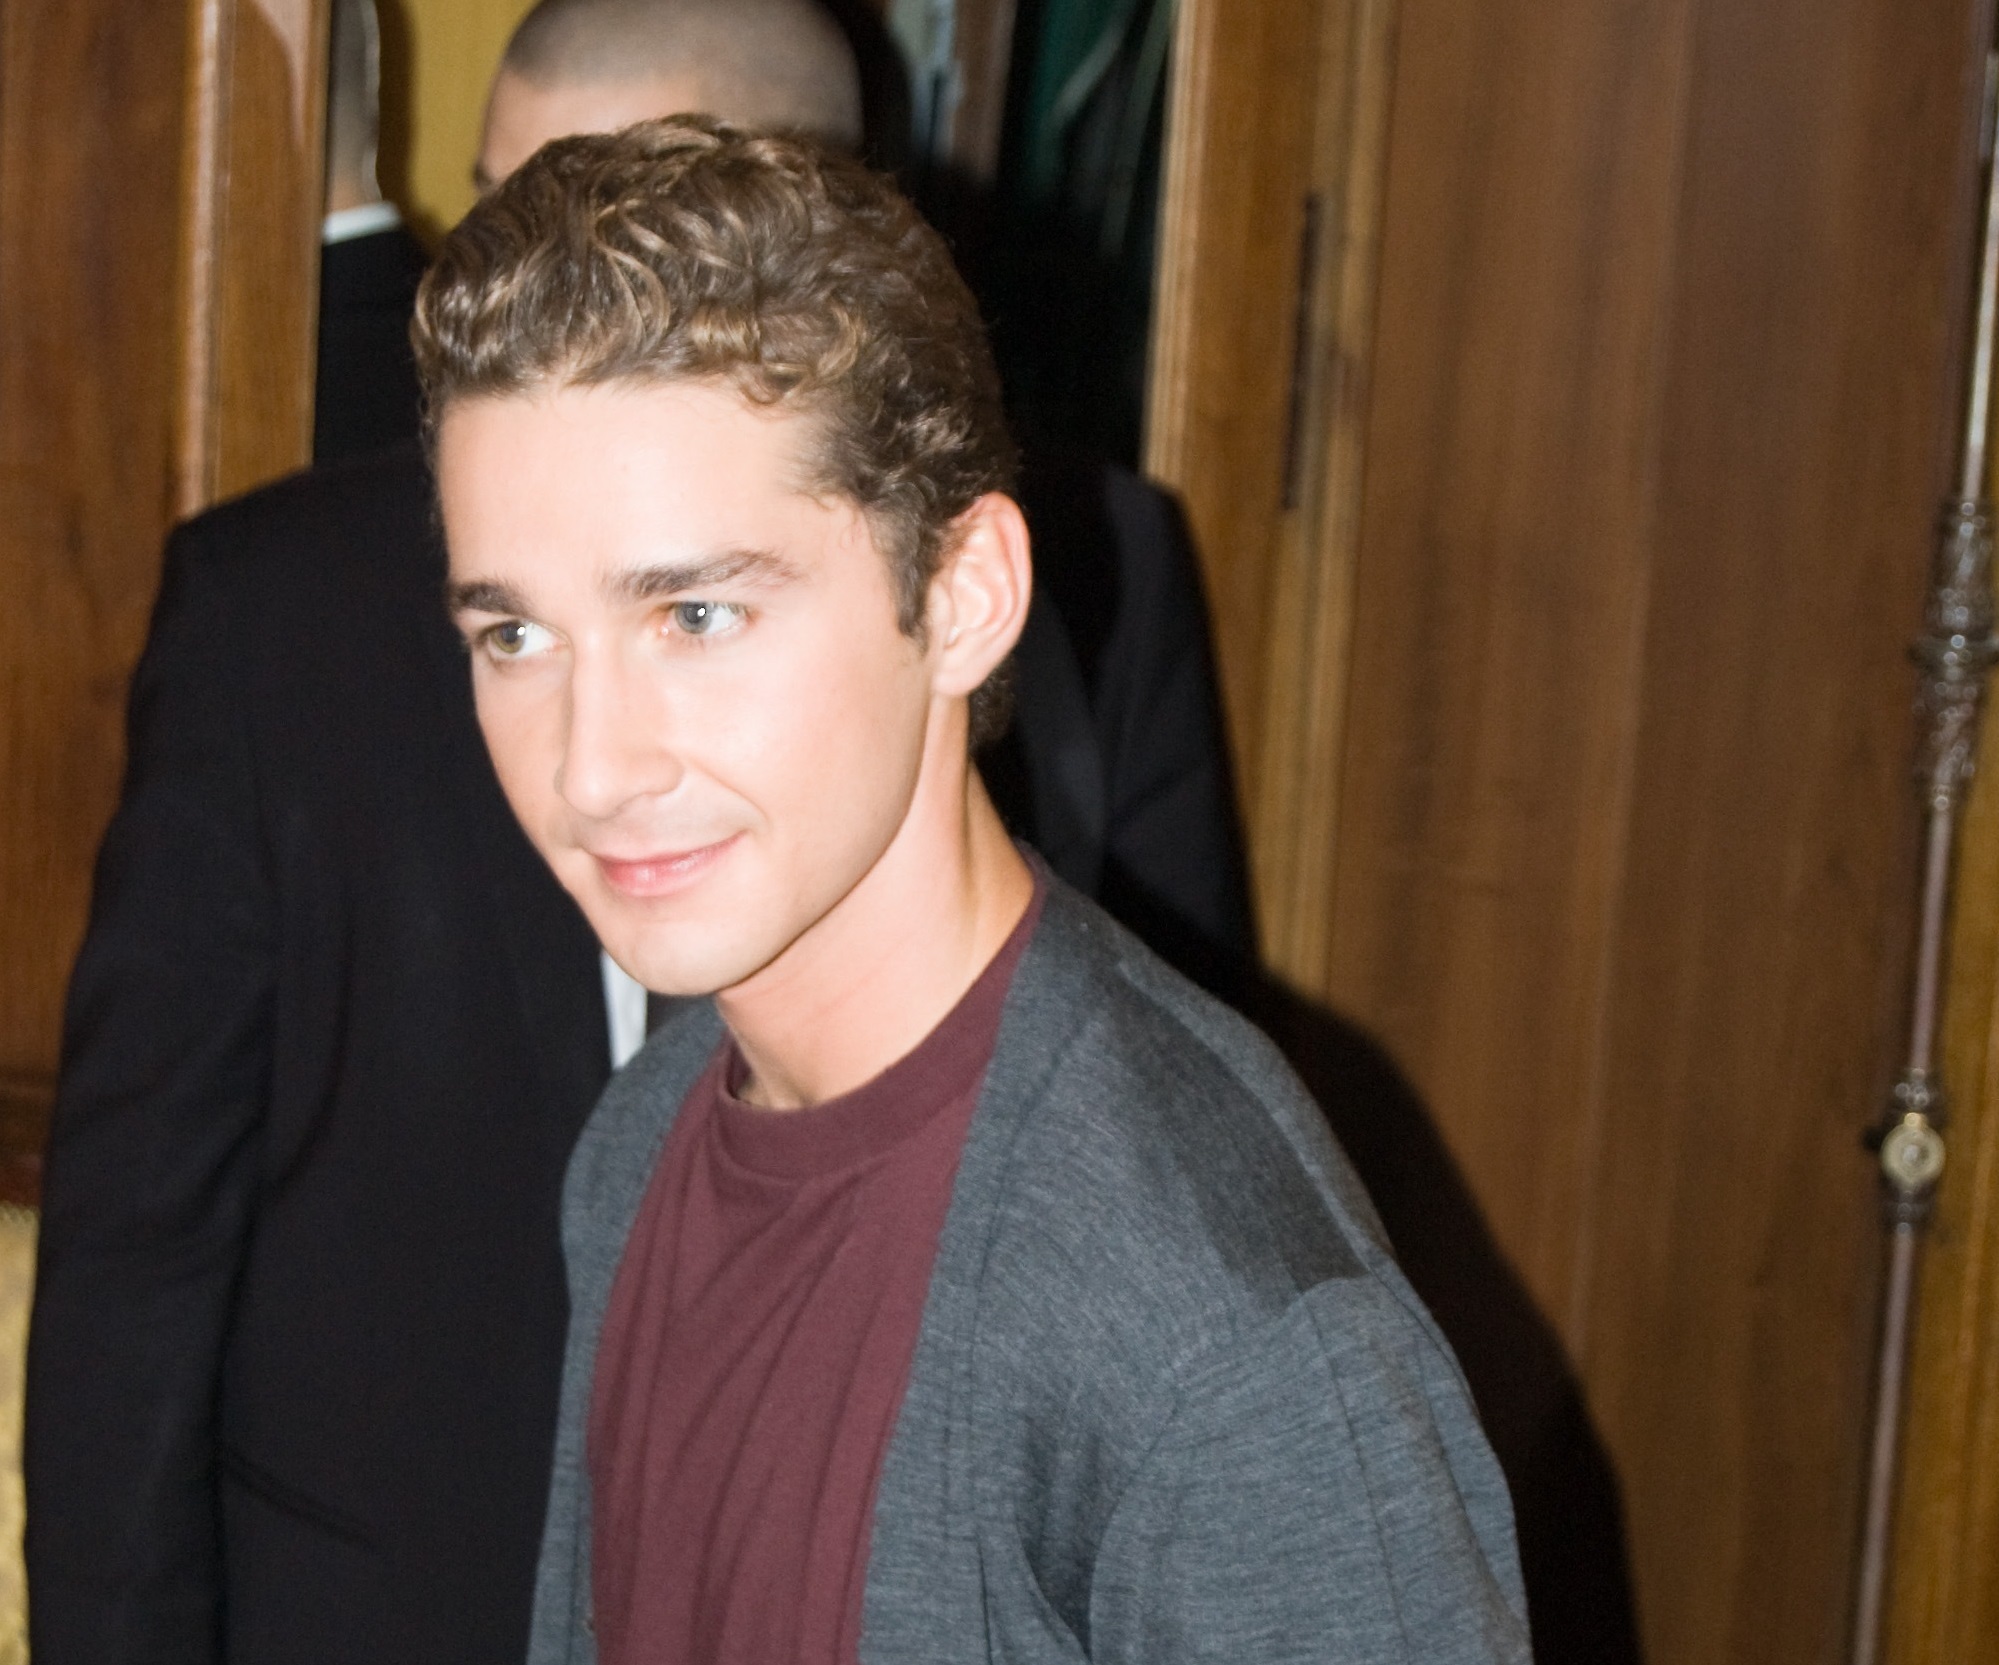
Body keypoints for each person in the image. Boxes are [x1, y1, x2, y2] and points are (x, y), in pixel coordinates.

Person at [24, 4, 1252, 1664]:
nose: (530, 310)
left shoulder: (1212, 1309)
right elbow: (133, 1268)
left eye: (625, 226)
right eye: (501, 217)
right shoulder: (281, 615)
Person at [419, 116, 1531, 1664]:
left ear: (962, 598)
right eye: (515, 638)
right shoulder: (643, 1143)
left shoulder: (1216, 1325)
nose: (591, 765)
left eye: (700, 614)